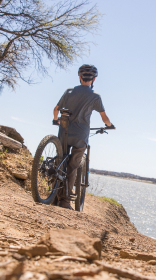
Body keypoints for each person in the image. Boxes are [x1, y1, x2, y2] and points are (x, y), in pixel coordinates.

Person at [53, 64, 114, 209]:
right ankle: (65, 201)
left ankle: (53, 195)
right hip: (80, 135)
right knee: (73, 166)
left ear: (79, 77)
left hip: (64, 132)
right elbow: (104, 118)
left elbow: (56, 109)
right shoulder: (95, 97)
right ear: (94, 79)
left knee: (60, 161)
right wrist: (109, 125)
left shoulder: (69, 92)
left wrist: (56, 120)